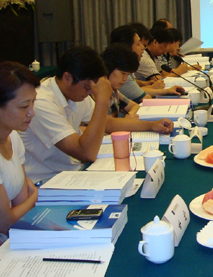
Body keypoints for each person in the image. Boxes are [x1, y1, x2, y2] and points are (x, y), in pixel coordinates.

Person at [20, 46, 174, 184]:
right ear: (67, 77)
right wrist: (102, 100)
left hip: (71, 173)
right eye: (86, 87)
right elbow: (86, 153)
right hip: (47, 182)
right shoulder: (42, 103)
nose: (89, 92)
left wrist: (151, 125)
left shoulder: (74, 93)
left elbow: (107, 122)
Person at [0, 62, 39, 239]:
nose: (32, 113)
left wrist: (29, 200)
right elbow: (6, 224)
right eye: (24, 106)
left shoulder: (13, 137)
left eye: (33, 103)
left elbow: (22, 203)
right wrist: (36, 195)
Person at [110, 24, 185, 100]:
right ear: (127, 47)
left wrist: (146, 84)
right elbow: (144, 96)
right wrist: (179, 71)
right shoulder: (120, 69)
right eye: (139, 44)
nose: (143, 48)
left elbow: (134, 86)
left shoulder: (125, 67)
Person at [101, 43, 141, 118]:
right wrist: (125, 121)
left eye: (128, 74)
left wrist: (130, 114)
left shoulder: (114, 91)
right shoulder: (96, 94)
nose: (125, 79)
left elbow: (134, 106)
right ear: (108, 69)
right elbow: (107, 123)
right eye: (123, 73)